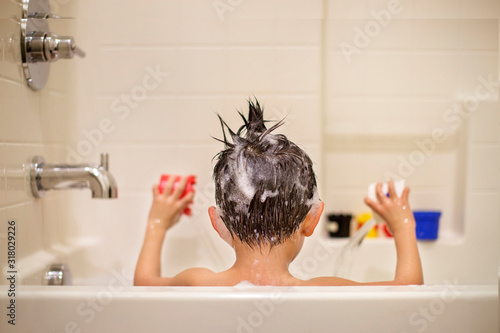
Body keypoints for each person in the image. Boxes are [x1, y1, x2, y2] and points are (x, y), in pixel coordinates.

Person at [134, 99, 423, 286]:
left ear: (218, 223)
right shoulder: (323, 292)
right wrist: (403, 225)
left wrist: (156, 224)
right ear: (312, 219)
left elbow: (144, 286)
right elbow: (408, 289)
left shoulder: (198, 284)